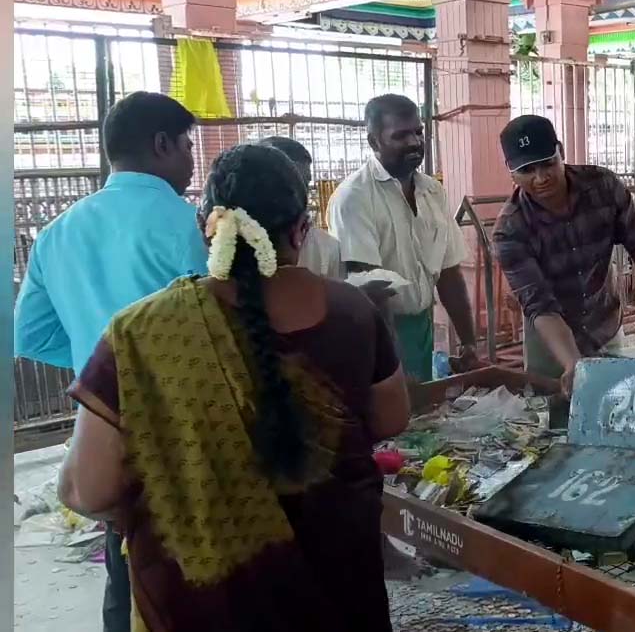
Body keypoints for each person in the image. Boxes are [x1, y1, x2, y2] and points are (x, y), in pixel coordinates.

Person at [58, 144, 411, 632]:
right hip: (339, 580)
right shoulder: (354, 310)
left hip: (211, 597)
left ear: (210, 230)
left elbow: (86, 488)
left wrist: (179, 487)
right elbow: (392, 418)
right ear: (301, 229)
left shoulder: (141, 332)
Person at [14, 91, 207, 632]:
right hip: (179, 424)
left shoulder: (59, 231)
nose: (193, 161)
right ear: (162, 143)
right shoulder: (183, 223)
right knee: (193, 560)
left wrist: (93, 361)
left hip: (100, 424)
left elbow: (27, 334)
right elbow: (214, 328)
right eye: (188, 145)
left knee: (126, 553)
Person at [493, 115, 635, 393]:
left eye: (548, 163)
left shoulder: (604, 187)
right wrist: (572, 363)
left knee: (618, 407)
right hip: (551, 346)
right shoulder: (510, 230)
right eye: (528, 170)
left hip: (605, 327)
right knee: (553, 424)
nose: (541, 178)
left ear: (560, 151)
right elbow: (540, 305)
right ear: (511, 172)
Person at [328, 94, 479, 381]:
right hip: (378, 331)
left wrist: (469, 342)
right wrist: (392, 365)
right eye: (400, 135)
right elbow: (371, 288)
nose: (414, 142)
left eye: (418, 132)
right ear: (374, 142)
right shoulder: (354, 198)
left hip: (421, 326)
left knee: (424, 419)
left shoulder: (432, 191)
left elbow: (448, 272)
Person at [258, 136, 343, 280]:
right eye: (288, 184)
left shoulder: (327, 249)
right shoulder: (228, 245)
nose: (300, 192)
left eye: (305, 182)